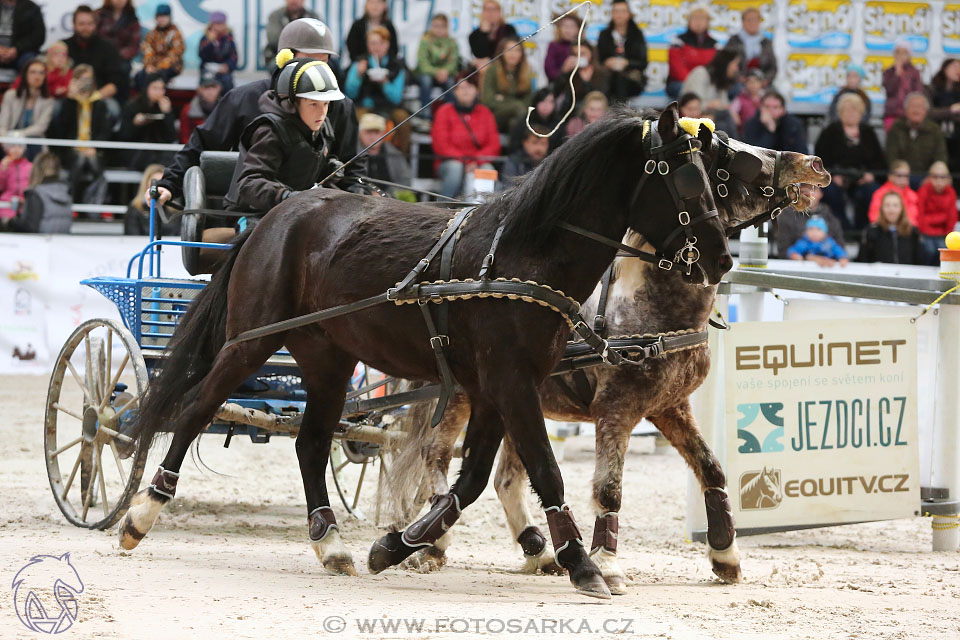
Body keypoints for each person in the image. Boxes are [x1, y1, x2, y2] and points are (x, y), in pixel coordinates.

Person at [154, 18, 368, 207]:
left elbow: (352, 167)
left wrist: (355, 202)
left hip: (315, 216)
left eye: (324, 61)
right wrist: (169, 184)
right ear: (286, 58)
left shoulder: (340, 106)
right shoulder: (243, 98)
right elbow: (201, 144)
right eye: (311, 59)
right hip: (254, 211)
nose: (319, 68)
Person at [224, 58, 348, 217]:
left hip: (295, 215)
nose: (322, 113)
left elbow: (299, 166)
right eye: (313, 104)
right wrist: (285, 197)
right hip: (253, 215)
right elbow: (249, 184)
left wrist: (328, 168)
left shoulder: (322, 128)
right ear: (291, 103)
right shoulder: (270, 131)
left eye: (326, 104)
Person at [815, 92, 884, 229]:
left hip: (862, 177)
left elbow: (879, 160)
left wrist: (871, 175)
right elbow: (820, 159)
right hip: (836, 177)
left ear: (861, 113)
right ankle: (842, 228)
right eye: (847, 110)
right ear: (840, 112)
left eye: (855, 110)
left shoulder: (868, 132)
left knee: (871, 190)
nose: (851, 113)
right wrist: (832, 176)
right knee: (831, 191)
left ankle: (863, 229)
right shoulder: (830, 131)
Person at [47, 65, 112, 205]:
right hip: (72, 148)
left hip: (93, 148)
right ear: (74, 81)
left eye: (88, 79)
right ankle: (75, 201)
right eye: (82, 80)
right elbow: (61, 129)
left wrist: (94, 146)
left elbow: (105, 130)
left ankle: (93, 202)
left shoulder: (99, 103)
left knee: (93, 160)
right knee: (80, 159)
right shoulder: (69, 102)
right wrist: (71, 98)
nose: (85, 83)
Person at [431, 73, 500, 198]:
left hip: (478, 162)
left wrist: (476, 160)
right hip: (449, 163)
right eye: (460, 88)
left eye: (469, 87)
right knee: (455, 168)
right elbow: (441, 145)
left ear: (476, 90)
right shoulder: (444, 111)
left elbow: (494, 145)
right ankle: (442, 207)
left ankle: (482, 211)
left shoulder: (485, 113)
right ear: (454, 92)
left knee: (487, 168)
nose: (465, 91)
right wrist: (466, 161)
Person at [344, 27, 409, 152]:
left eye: (381, 43)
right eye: (373, 43)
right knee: (353, 120)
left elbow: (396, 98)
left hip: (389, 107)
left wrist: (385, 83)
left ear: (387, 44)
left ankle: (400, 159)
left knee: (404, 120)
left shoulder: (396, 66)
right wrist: (358, 75)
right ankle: (354, 156)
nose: (377, 47)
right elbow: (350, 93)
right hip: (364, 106)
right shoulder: (360, 62)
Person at [64, 6, 124, 104]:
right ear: (74, 25)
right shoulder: (63, 47)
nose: (85, 28)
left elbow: (115, 83)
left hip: (100, 97)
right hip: (70, 98)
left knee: (111, 108)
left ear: (95, 25)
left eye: (89, 24)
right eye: (81, 24)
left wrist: (95, 97)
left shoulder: (107, 48)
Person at [885, 92, 949, 185]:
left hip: (928, 178)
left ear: (925, 111)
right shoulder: (896, 128)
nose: (916, 110)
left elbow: (941, 157)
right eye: (913, 106)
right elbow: (891, 156)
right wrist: (900, 175)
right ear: (905, 110)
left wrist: (932, 177)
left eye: (920, 107)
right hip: (901, 177)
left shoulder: (935, 130)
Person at [119, 73, 178, 170]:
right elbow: (123, 135)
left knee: (171, 158)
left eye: (162, 88)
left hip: (158, 152)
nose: (159, 92)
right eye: (155, 88)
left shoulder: (165, 107)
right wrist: (135, 124)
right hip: (135, 152)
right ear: (146, 88)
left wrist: (167, 114)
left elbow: (171, 137)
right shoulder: (132, 106)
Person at [1, 151, 71, 233]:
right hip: (62, 240)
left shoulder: (35, 194)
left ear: (36, 169)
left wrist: (10, 222)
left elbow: (30, 227)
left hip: (40, 242)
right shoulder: (66, 191)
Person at [772, 185, 845, 258]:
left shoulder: (830, 218)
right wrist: (807, 258)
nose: (809, 194)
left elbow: (840, 248)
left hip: (827, 267)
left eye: (813, 190)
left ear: (821, 194)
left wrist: (829, 259)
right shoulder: (786, 215)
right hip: (795, 266)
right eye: (804, 191)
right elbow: (783, 249)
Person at [597, 0, 647, 102]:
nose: (619, 15)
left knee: (620, 79)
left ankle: (619, 113)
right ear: (611, 14)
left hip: (631, 78)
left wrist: (626, 63)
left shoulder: (637, 35)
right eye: (616, 11)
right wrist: (608, 62)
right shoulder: (604, 34)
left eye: (623, 11)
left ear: (629, 14)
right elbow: (599, 59)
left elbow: (643, 63)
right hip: (608, 77)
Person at [679, 49, 739, 134]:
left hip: (711, 117)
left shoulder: (720, 80)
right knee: (725, 117)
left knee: (724, 123)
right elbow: (692, 104)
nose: (737, 68)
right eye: (735, 64)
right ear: (726, 64)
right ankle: (736, 144)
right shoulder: (700, 73)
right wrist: (710, 104)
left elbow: (724, 104)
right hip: (694, 117)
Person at [356, 112, 413, 201]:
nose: (373, 137)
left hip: (392, 202)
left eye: (376, 132)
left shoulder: (395, 154)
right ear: (360, 133)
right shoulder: (352, 154)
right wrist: (368, 193)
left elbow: (405, 181)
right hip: (360, 201)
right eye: (368, 132)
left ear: (383, 134)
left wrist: (386, 195)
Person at [481, 36, 532, 133]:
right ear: (501, 52)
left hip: (517, 116)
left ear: (522, 54)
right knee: (518, 108)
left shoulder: (525, 71)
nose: (513, 54)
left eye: (517, 50)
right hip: (495, 115)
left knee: (514, 122)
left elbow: (528, 100)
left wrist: (503, 98)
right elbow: (488, 100)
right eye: (509, 50)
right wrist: (515, 103)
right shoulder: (492, 70)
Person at [0, 57, 54, 145]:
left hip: (32, 142)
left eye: (41, 73)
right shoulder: (11, 95)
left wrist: (18, 134)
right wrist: (6, 139)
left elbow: (41, 127)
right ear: (25, 74)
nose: (37, 76)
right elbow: (2, 124)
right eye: (33, 72)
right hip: (8, 140)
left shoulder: (48, 100)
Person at [858, 190, 921, 264]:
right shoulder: (872, 231)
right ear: (882, 208)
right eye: (887, 205)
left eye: (895, 205)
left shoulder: (912, 231)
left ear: (902, 208)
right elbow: (863, 259)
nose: (891, 210)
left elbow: (918, 260)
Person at [667, 6, 716, 98]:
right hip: (680, 82)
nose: (699, 22)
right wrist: (693, 83)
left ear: (708, 22)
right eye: (695, 18)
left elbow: (715, 69)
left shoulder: (715, 44)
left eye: (702, 19)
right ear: (688, 21)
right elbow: (676, 67)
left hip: (706, 84)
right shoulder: (678, 41)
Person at [915, 161, 958, 264]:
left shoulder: (951, 192)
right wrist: (921, 232)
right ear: (929, 178)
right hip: (926, 233)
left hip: (943, 234)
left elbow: (952, 216)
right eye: (935, 177)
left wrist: (948, 234)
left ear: (948, 179)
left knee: (943, 253)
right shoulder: (923, 190)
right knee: (928, 251)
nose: (939, 181)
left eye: (942, 177)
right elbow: (919, 213)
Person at [416, 13, 459, 114]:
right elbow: (423, 63)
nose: (438, 29)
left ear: (447, 27)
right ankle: (425, 111)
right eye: (435, 26)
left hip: (445, 74)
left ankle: (452, 112)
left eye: (442, 26)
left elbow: (453, 62)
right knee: (426, 80)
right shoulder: (425, 41)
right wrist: (437, 72)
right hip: (428, 73)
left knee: (451, 82)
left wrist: (445, 71)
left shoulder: (452, 43)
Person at [926, 58, 960, 183]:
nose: (958, 70)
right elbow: (929, 113)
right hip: (935, 134)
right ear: (945, 68)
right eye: (955, 67)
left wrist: (943, 113)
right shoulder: (931, 88)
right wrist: (951, 110)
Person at [722, 7, 775, 86]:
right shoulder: (734, 41)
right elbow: (726, 63)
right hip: (739, 83)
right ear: (742, 22)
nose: (752, 23)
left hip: (761, 83)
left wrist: (765, 80)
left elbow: (773, 67)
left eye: (755, 20)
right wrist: (739, 78)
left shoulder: (766, 42)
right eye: (749, 20)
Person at [743, 90, 807, 153]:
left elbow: (801, 151)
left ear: (783, 110)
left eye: (775, 107)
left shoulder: (793, 125)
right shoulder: (751, 124)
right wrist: (769, 131)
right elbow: (755, 153)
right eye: (767, 107)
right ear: (761, 108)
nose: (770, 110)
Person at [124, 163, 180, 235]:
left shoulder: (175, 210)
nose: (159, 186)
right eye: (156, 182)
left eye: (162, 182)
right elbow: (132, 235)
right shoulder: (135, 208)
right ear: (146, 183)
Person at [139, 4, 184, 87]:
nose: (162, 19)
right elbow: (147, 50)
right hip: (154, 65)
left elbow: (175, 54)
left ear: (170, 17)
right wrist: (149, 65)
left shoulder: (175, 33)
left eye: (165, 16)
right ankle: (144, 98)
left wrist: (157, 68)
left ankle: (158, 98)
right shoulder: (152, 33)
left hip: (170, 66)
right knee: (139, 76)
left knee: (158, 77)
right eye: (159, 16)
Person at [882, 39, 923, 130]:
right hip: (892, 113)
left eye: (904, 52)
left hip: (910, 114)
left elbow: (918, 93)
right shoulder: (889, 72)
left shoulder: (915, 72)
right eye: (898, 52)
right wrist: (897, 74)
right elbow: (889, 89)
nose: (901, 55)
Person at [264, 0, 318, 67]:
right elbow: (274, 40)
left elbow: (318, 39)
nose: (294, 1)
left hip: (309, 56)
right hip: (279, 56)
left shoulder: (313, 17)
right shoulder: (275, 16)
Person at [868, 159, 919, 225]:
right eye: (899, 176)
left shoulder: (913, 195)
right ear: (890, 176)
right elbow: (874, 216)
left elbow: (917, 218)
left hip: (907, 231)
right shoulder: (880, 194)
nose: (903, 179)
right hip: (885, 230)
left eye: (906, 176)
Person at [469, 0, 516, 70]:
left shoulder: (509, 30)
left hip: (505, 67)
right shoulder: (474, 35)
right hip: (483, 69)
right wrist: (483, 34)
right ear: (482, 13)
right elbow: (479, 55)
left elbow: (511, 52)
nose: (490, 13)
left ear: (500, 13)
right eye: (487, 10)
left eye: (494, 9)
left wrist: (490, 60)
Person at [508, 88, 559, 152]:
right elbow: (514, 146)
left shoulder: (558, 125)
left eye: (550, 102)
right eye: (542, 101)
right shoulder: (525, 122)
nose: (546, 105)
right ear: (536, 103)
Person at [0, 0, 44, 71]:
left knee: (31, 63)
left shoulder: (30, 7)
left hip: (21, 53)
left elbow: (38, 36)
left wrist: (17, 49)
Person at [199, 12, 237, 93]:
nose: (219, 26)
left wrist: (227, 66)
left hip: (223, 71)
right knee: (208, 84)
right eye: (216, 24)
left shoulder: (229, 39)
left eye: (221, 24)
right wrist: (210, 42)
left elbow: (234, 57)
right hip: (208, 70)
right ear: (211, 25)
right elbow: (202, 55)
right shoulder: (205, 39)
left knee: (227, 82)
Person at [180, 77, 221, 143]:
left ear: (219, 88)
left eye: (213, 87)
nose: (210, 91)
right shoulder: (188, 109)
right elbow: (184, 135)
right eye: (206, 88)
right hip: (195, 149)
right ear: (199, 89)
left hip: (219, 150)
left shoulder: (226, 109)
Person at [544, 14, 580, 84]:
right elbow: (550, 72)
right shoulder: (554, 46)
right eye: (565, 26)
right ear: (559, 28)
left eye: (572, 26)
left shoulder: (583, 46)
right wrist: (564, 70)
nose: (568, 30)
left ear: (578, 29)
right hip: (559, 86)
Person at [0, 140, 30, 218]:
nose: (16, 150)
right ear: (7, 149)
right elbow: (1, 187)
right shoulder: (4, 165)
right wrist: (2, 170)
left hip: (25, 202)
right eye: (13, 146)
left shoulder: (30, 166)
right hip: (7, 202)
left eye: (20, 146)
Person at [730, 68, 763, 134]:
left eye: (756, 81)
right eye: (750, 82)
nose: (753, 85)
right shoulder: (740, 98)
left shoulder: (764, 98)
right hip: (745, 132)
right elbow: (732, 111)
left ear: (761, 83)